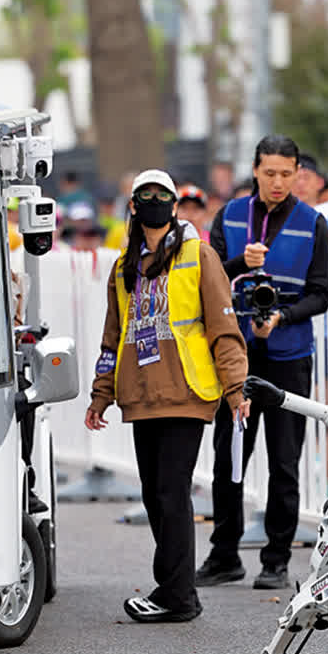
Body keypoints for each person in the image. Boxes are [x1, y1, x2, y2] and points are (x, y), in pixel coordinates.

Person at [85, 170, 249, 623]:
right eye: (145, 196)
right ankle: (172, 588)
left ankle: (179, 595)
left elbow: (223, 327)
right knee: (155, 495)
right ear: (134, 206)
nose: (154, 202)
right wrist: (101, 394)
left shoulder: (200, 256)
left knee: (172, 491)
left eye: (163, 195)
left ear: (175, 205)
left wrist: (235, 390)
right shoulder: (124, 268)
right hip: (141, 394)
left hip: (187, 391)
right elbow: (112, 335)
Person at [199, 136, 328, 591]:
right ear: (255, 171)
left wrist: (282, 317)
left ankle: (276, 560)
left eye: (286, 173)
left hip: (289, 355)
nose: (278, 182)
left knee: (284, 460)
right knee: (228, 456)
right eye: (269, 172)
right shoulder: (231, 215)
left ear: (299, 173)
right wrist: (240, 262)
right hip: (236, 353)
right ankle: (224, 555)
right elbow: (208, 275)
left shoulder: (313, 221)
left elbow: (322, 293)